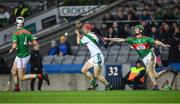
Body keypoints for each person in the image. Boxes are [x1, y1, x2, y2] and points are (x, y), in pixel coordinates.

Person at [105, 24, 170, 90]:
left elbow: (156, 42)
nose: (135, 30)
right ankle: (166, 70)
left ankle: (156, 87)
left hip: (150, 55)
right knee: (155, 76)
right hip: (144, 58)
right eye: (135, 29)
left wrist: (163, 45)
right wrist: (108, 38)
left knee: (148, 71)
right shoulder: (132, 40)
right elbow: (120, 40)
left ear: (141, 30)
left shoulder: (146, 38)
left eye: (137, 29)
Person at [10, 16, 49, 91]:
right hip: (23, 55)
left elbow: (14, 45)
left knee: (21, 77)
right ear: (23, 24)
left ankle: (40, 75)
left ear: (16, 24)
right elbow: (35, 43)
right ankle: (17, 88)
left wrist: (12, 49)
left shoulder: (15, 33)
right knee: (13, 71)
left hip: (22, 56)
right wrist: (25, 44)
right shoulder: (27, 32)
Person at [75, 23, 112, 91]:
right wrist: (81, 35)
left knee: (97, 75)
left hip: (98, 56)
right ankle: (93, 82)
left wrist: (77, 34)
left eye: (84, 28)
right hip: (95, 56)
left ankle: (108, 85)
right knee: (83, 70)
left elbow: (78, 42)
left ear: (88, 29)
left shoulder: (88, 36)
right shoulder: (92, 35)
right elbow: (86, 38)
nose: (83, 30)